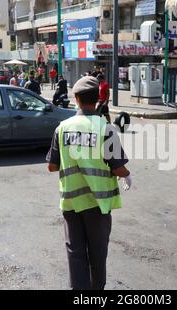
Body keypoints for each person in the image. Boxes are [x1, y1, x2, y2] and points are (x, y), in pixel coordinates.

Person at [47, 76, 132, 290]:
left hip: (71, 204)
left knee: (75, 254)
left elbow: (52, 166)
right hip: (98, 205)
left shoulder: (62, 128)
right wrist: (128, 175)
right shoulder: (106, 128)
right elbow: (117, 167)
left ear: (75, 98)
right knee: (97, 254)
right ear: (97, 99)